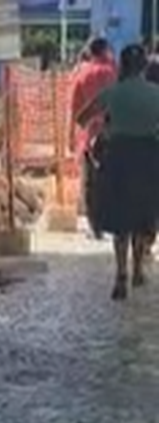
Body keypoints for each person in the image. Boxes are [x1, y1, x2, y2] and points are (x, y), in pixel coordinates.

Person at [76, 44, 159, 300]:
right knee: (144, 215)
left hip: (119, 156)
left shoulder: (113, 92)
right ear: (144, 66)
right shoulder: (156, 93)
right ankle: (138, 269)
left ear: (122, 66)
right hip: (149, 156)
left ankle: (121, 273)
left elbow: (82, 118)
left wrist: (107, 124)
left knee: (121, 217)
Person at [70, 37, 118, 240]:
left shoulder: (82, 73)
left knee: (90, 182)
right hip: (113, 133)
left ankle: (95, 226)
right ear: (105, 51)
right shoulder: (113, 71)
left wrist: (71, 137)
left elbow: (75, 107)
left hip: (89, 135)